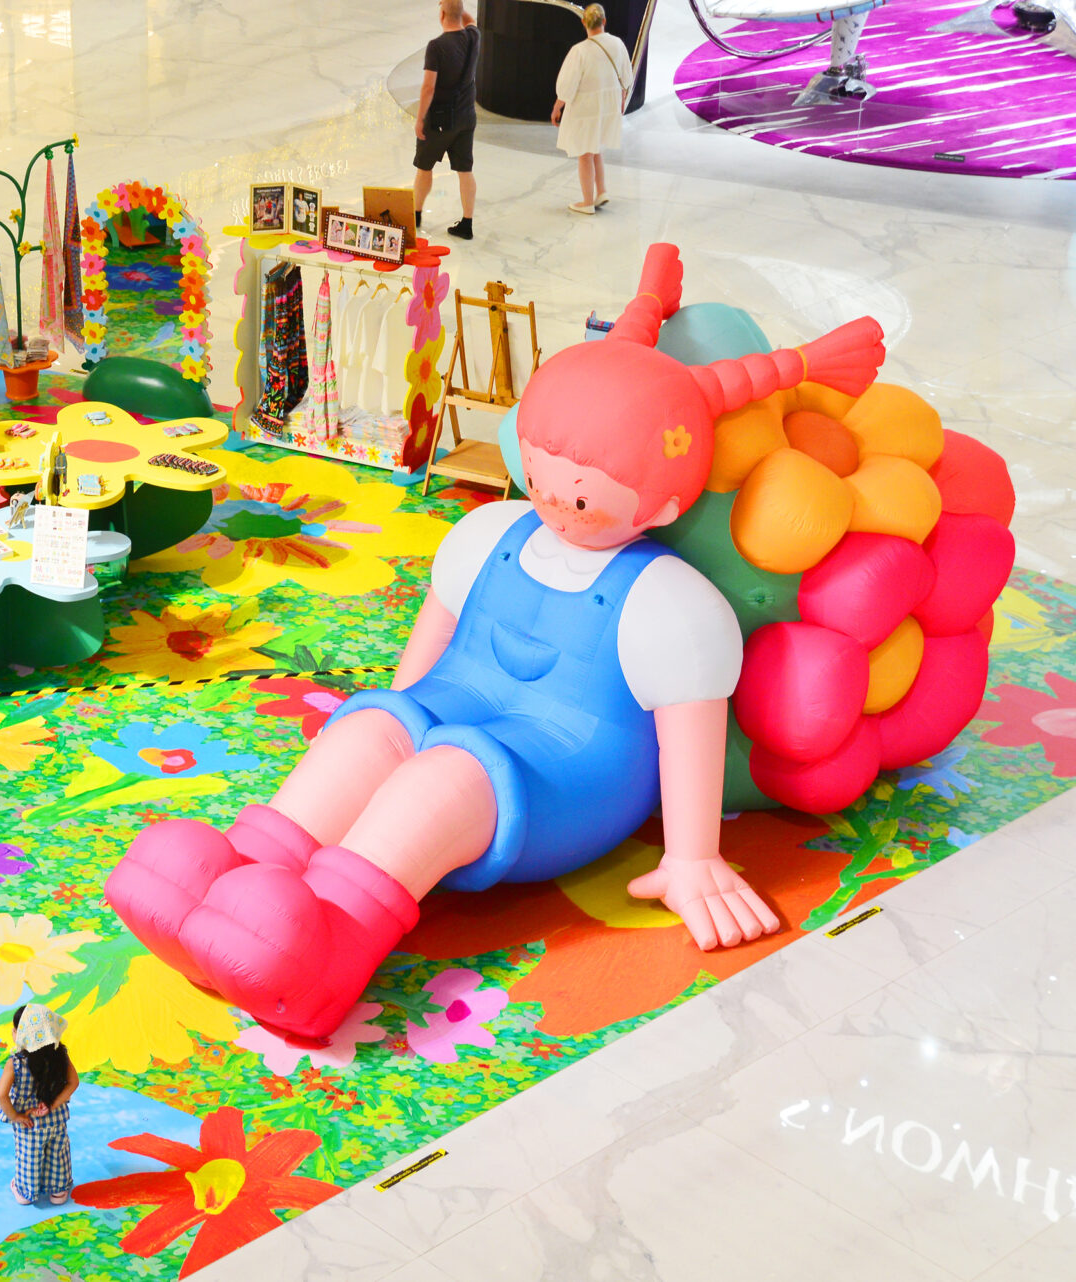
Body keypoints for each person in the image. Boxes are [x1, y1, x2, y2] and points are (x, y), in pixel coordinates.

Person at [107, 244, 889, 1042]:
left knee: (443, 778)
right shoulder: (488, 535)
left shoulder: (669, 603)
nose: (552, 503)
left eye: (579, 497)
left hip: (567, 777)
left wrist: (693, 859)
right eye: (541, 478)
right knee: (371, 730)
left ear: (660, 505)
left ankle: (327, 950)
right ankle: (238, 871)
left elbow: (686, 740)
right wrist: (387, 722)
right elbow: (418, 675)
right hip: (460, 710)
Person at [0, 1002, 79, 1206]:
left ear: (19, 1034)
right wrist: (53, 1105)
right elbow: (73, 1082)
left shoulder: (15, 1063)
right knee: (58, 1154)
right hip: (56, 1119)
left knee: (29, 1157)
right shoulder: (60, 1056)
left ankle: (25, 1192)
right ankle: (58, 1191)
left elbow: (1, 1095)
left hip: (29, 1123)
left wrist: (16, 1116)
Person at [551, 4, 633, 214]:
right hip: (608, 105)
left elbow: (567, 85)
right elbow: (626, 75)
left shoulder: (579, 51)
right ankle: (601, 191)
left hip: (586, 108)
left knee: (585, 153)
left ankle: (587, 202)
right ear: (604, 21)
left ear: (583, 22)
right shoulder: (617, 44)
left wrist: (558, 106)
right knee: (595, 149)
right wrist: (622, 98)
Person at [413, 0, 480, 241]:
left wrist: (420, 118)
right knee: (465, 170)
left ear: (441, 14)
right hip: (466, 117)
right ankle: (467, 222)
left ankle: (416, 214)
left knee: (424, 167)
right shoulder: (473, 36)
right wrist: (455, 7)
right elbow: (470, 20)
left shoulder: (437, 46)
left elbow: (428, 88)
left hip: (439, 121)